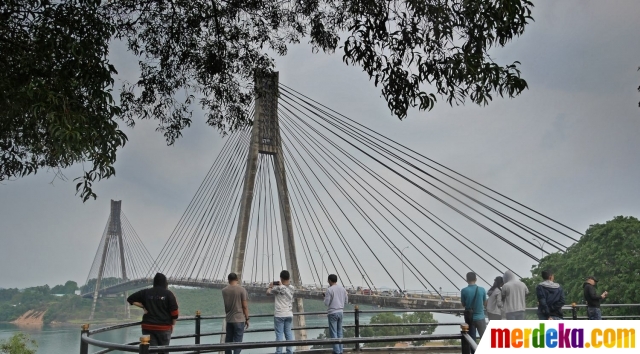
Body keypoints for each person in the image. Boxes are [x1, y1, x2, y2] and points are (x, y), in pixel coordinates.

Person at [127, 273, 179, 353]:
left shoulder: (145, 292)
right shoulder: (168, 294)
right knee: (163, 351)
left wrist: (143, 307)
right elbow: (175, 313)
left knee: (151, 351)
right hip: (164, 328)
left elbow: (130, 299)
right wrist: (172, 325)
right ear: (165, 283)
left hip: (147, 327)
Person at [267, 270, 295, 354]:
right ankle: (289, 352)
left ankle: (278, 352)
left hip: (279, 314)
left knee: (279, 335)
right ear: (289, 278)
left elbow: (268, 293)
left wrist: (270, 286)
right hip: (289, 314)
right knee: (288, 334)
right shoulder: (292, 288)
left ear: (281, 278)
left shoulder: (277, 288)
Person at [222, 273, 250, 354]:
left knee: (228, 342)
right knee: (238, 343)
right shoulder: (241, 290)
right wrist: (247, 319)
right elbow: (245, 306)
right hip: (239, 319)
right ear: (237, 279)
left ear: (228, 280)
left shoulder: (224, 291)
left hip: (229, 319)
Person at [460, 272, 487, 346]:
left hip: (470, 319)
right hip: (480, 317)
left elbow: (463, 304)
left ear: (466, 280)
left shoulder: (464, 291)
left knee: (472, 340)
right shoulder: (482, 290)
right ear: (476, 279)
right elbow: (485, 303)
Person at [323, 274, 348, 354]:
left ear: (330, 280)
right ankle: (340, 350)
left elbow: (326, 303)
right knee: (339, 332)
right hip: (341, 312)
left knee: (333, 333)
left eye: (328, 281)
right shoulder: (343, 289)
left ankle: (337, 351)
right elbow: (346, 301)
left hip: (332, 313)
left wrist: (325, 297)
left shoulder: (329, 290)